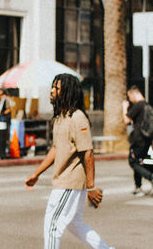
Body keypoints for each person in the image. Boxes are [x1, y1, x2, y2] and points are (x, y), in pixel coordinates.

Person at [25, 74, 113, 249]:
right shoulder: (61, 117)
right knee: (75, 223)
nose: (52, 91)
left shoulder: (77, 118)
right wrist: (36, 174)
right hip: (64, 182)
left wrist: (91, 186)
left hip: (69, 183)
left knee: (52, 225)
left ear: (67, 91)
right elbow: (56, 149)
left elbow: (87, 152)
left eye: (56, 88)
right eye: (52, 87)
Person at [122, 85, 153, 196]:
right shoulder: (148, 105)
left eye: (130, 97)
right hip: (146, 139)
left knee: (133, 162)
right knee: (140, 160)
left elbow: (126, 120)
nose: (130, 100)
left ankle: (150, 177)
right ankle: (138, 187)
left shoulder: (138, 105)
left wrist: (124, 107)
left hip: (138, 139)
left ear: (134, 94)